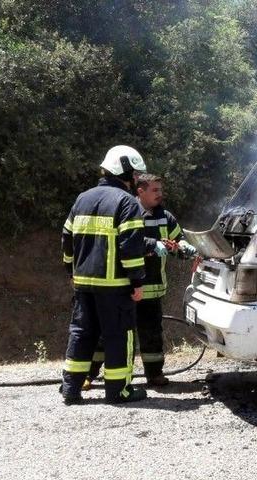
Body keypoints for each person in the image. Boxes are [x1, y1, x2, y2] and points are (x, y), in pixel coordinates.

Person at [85, 173, 196, 387]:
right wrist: (154, 246)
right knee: (107, 332)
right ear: (140, 191)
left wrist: (184, 248)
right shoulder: (129, 212)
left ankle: (154, 375)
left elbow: (178, 240)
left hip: (152, 290)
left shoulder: (165, 217)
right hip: (126, 287)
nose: (160, 194)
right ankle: (89, 375)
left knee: (151, 333)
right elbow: (126, 243)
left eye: (161, 190)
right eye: (155, 190)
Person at [60, 145, 149, 405]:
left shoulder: (83, 198)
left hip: (83, 284)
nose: (137, 179)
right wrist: (137, 281)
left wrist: (70, 270)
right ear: (124, 171)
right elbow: (130, 248)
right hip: (115, 286)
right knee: (119, 336)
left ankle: (71, 389)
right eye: (136, 174)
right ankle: (118, 391)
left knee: (81, 333)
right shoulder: (127, 202)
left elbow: (67, 238)